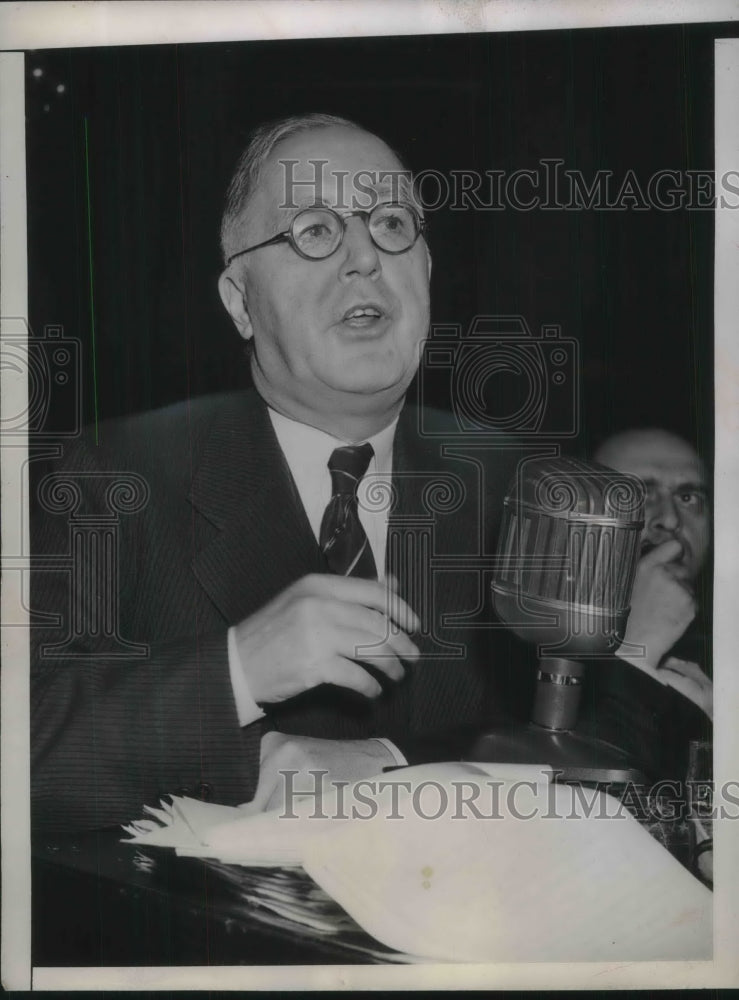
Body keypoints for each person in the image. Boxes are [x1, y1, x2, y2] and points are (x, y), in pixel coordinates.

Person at [30, 113, 523, 831]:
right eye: (315, 231)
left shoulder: (513, 477)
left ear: (426, 271)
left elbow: (631, 724)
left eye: (390, 223)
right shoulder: (113, 475)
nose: (363, 257)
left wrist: (392, 761)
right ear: (240, 302)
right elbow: (26, 744)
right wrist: (238, 668)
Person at [577, 427, 712, 781]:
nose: (669, 520)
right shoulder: (519, 652)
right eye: (637, 493)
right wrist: (636, 657)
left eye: (688, 498)